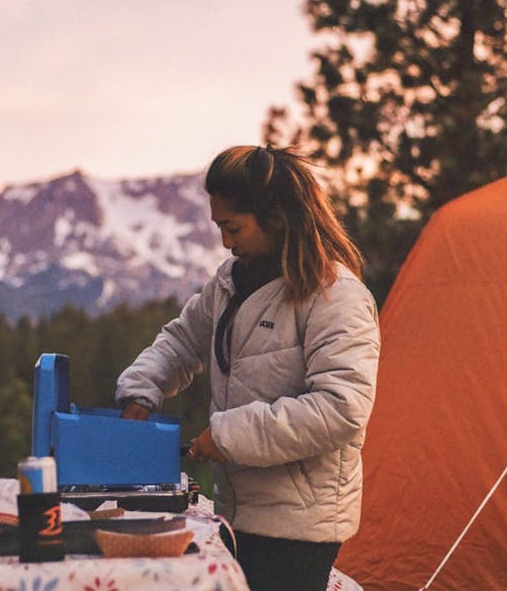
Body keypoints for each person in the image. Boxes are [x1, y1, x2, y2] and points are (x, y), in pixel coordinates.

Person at [116, 145, 380, 591]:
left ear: (276, 218)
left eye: (232, 227)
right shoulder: (229, 282)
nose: (224, 241)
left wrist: (227, 435)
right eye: (219, 227)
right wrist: (142, 390)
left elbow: (340, 409)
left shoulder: (337, 297)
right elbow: (182, 340)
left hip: (300, 525)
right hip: (239, 513)